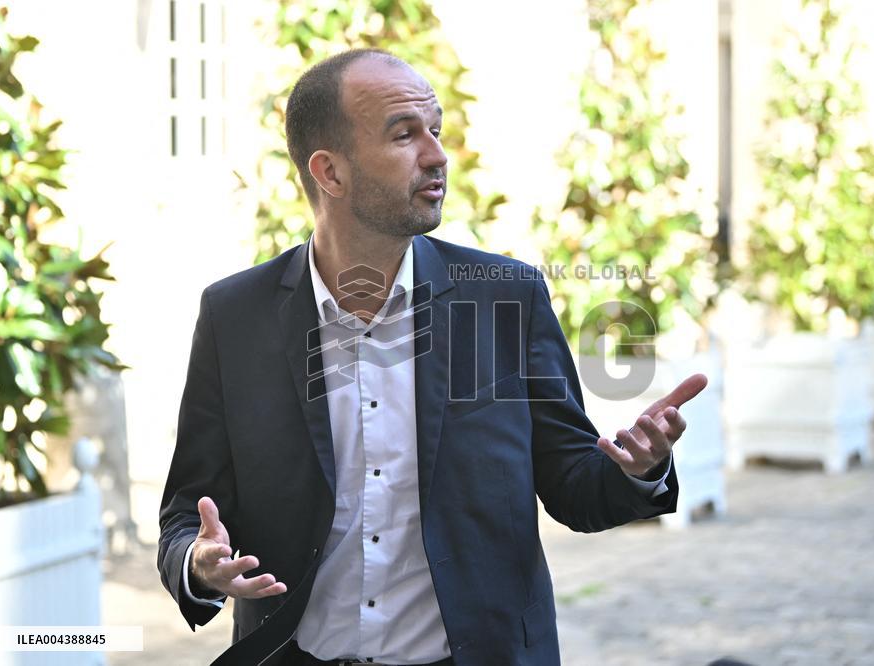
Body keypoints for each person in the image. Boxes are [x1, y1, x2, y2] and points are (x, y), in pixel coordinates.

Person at [157, 48, 708, 666]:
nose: (437, 154)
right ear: (329, 173)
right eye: (404, 134)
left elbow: (576, 490)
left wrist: (639, 469)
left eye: (436, 130)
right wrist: (198, 566)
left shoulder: (508, 299)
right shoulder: (236, 316)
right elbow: (186, 514)